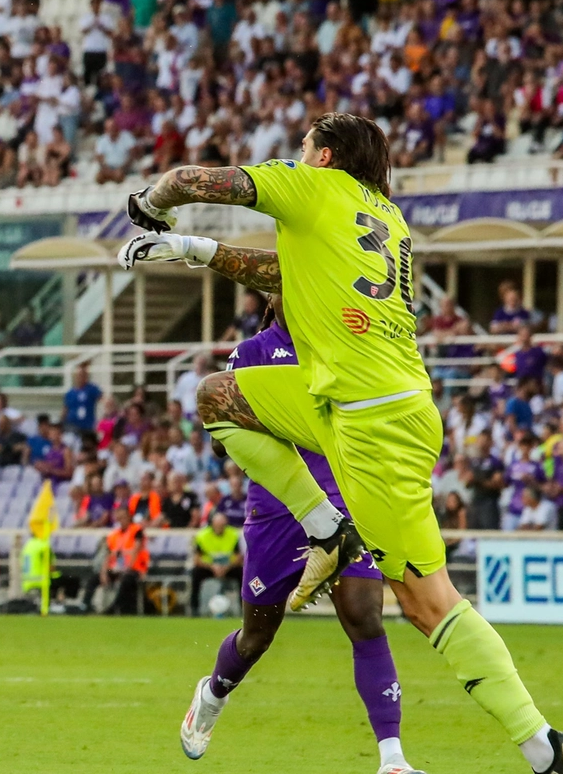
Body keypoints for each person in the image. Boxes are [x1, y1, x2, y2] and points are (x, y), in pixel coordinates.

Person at [119, 111, 563, 773]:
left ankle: (543, 747)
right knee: (216, 395)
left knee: (429, 604)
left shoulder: (311, 185)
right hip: (364, 406)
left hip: (370, 425)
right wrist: (190, 249)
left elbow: (192, 177)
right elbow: (287, 273)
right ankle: (325, 525)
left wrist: (148, 205)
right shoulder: (385, 216)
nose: (295, 154)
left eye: (303, 146)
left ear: (324, 155)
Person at [179, 290, 421, 774]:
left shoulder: (342, 347)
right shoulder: (251, 354)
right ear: (274, 299)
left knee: (366, 620)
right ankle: (214, 692)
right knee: (257, 637)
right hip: (277, 511)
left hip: (342, 501)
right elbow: (223, 438)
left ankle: (392, 759)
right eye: (289, 285)